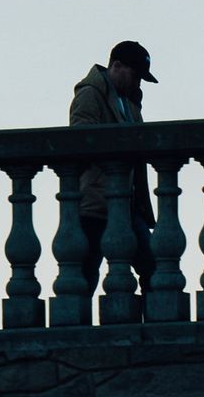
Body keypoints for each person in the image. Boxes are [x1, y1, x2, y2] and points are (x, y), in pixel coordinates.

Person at [68, 40, 158, 293]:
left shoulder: (128, 102)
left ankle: (151, 316)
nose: (138, 83)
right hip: (95, 204)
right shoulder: (89, 95)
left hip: (124, 203)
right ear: (116, 66)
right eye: (135, 75)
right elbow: (80, 141)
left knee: (154, 267)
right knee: (85, 276)